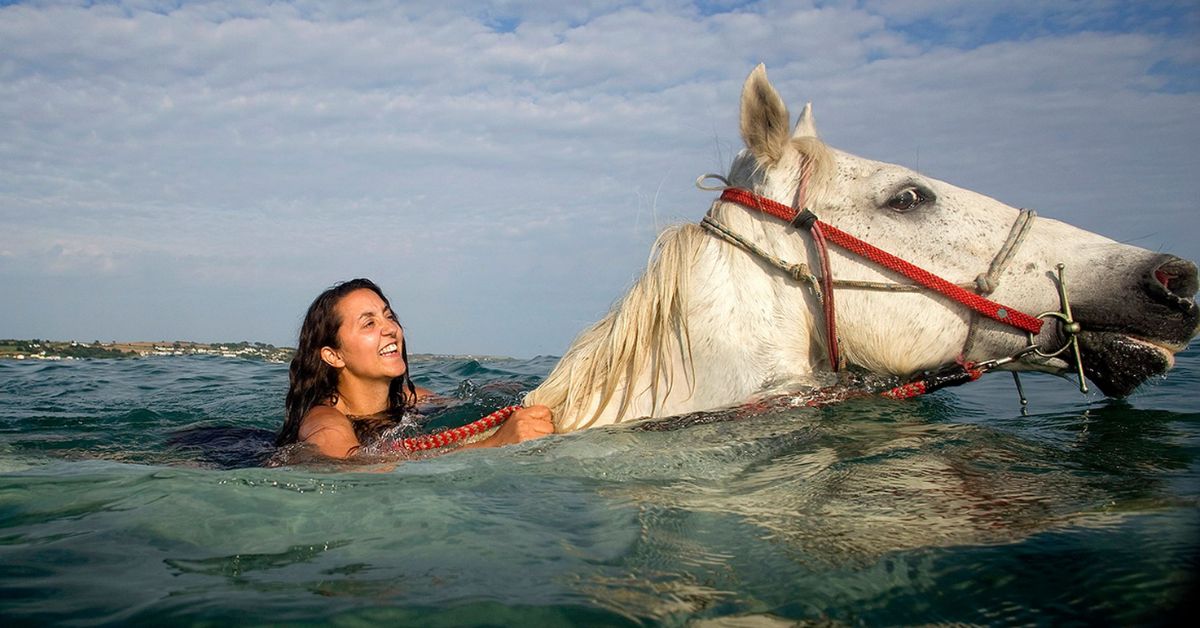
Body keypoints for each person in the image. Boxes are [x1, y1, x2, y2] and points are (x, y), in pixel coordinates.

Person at [276, 278, 554, 458]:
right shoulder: (327, 423)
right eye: (369, 323)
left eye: (388, 316)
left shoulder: (412, 398)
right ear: (333, 355)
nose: (390, 329)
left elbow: (466, 406)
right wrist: (493, 443)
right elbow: (354, 472)